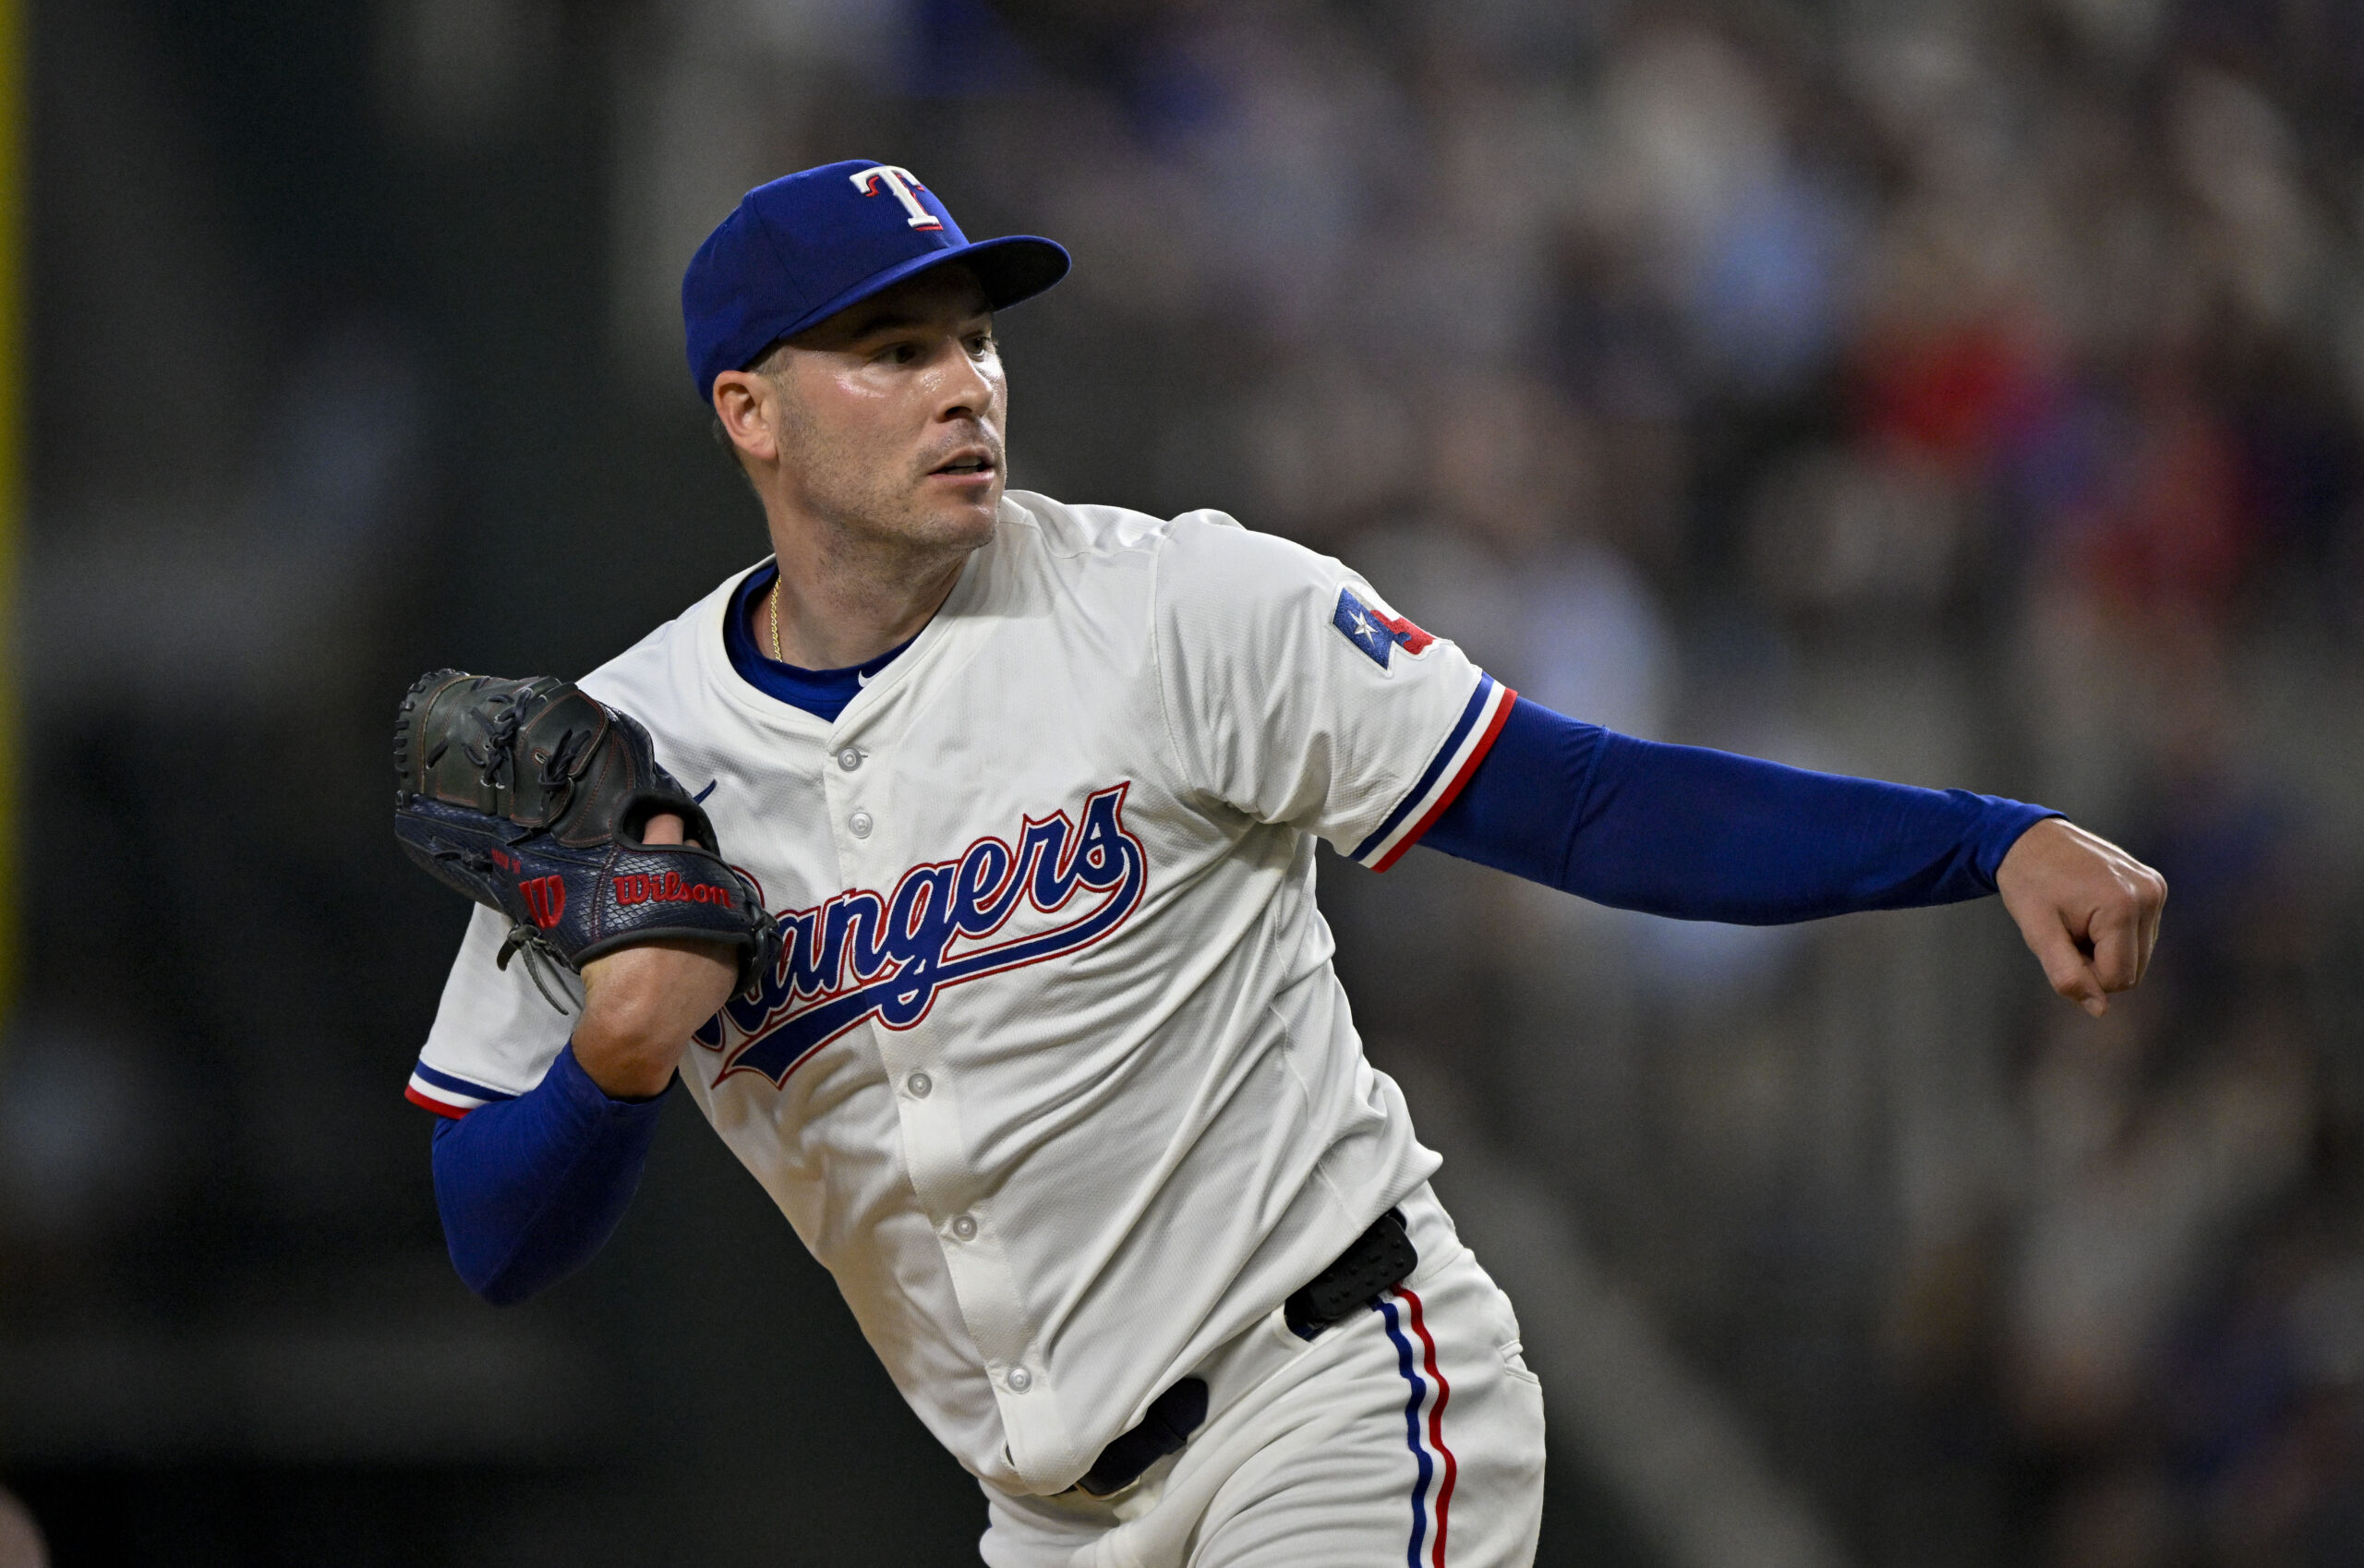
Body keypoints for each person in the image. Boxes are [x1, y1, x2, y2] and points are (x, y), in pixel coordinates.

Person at [404, 161, 2165, 1568]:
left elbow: (1583, 803)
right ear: (749, 413)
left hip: (1327, 1401)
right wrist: (618, 1060)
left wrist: (1985, 842)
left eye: (976, 340)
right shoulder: (629, 759)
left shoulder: (1175, 606)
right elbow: (492, 1226)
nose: (964, 387)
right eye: (893, 352)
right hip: (1048, 1519)